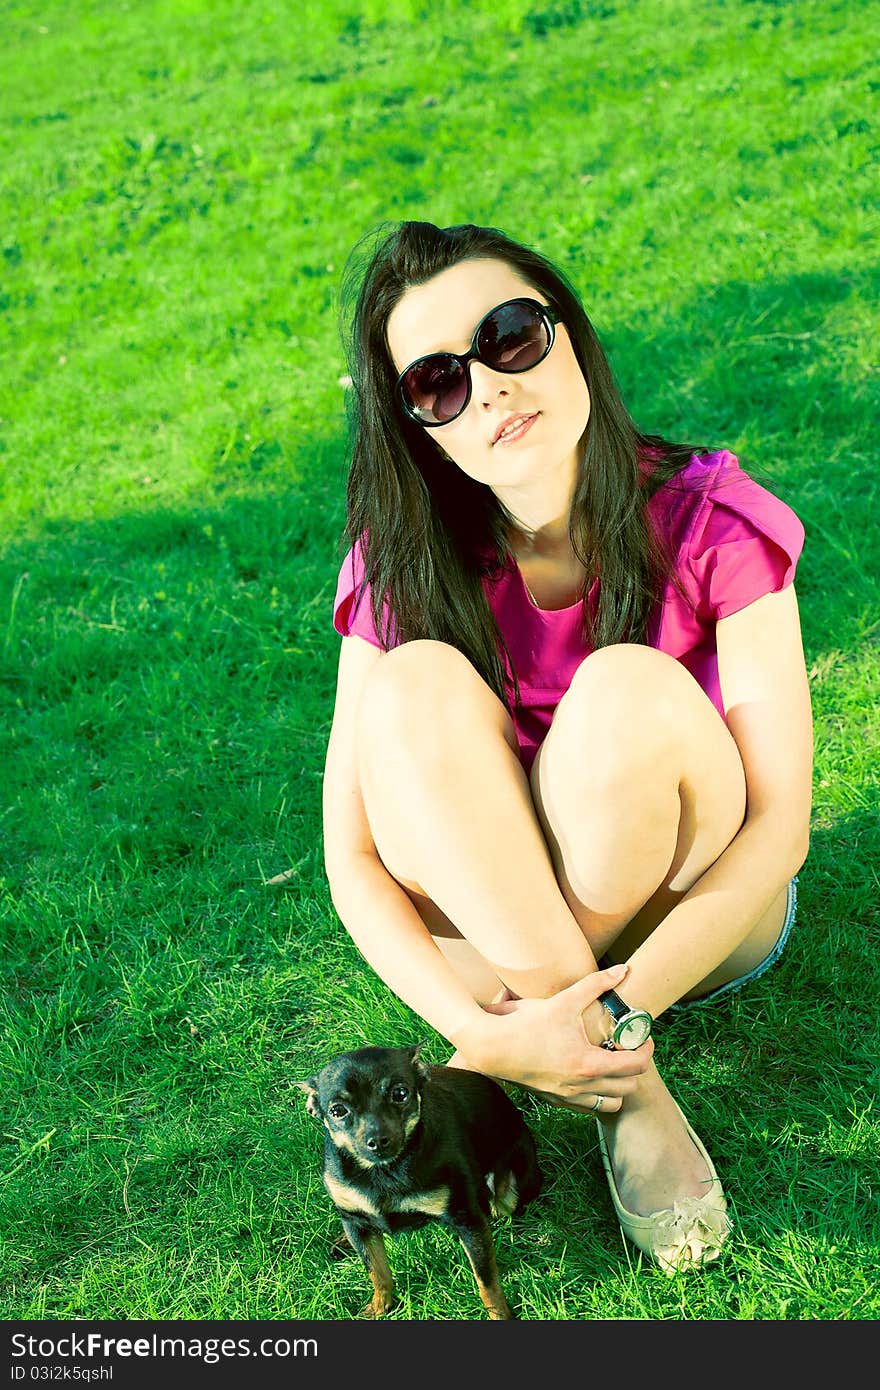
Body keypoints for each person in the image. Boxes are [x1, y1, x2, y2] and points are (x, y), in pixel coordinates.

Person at [320, 219, 813, 1275]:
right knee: (408, 689)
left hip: (692, 909)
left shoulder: (714, 519)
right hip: (488, 928)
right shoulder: (398, 564)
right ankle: (629, 1094)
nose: (489, 388)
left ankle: (598, 1050)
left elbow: (778, 830)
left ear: (570, 339)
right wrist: (473, 1031)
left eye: (509, 337)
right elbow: (352, 854)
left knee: (628, 687)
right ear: (421, 430)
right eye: (439, 383)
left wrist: (599, 1011)